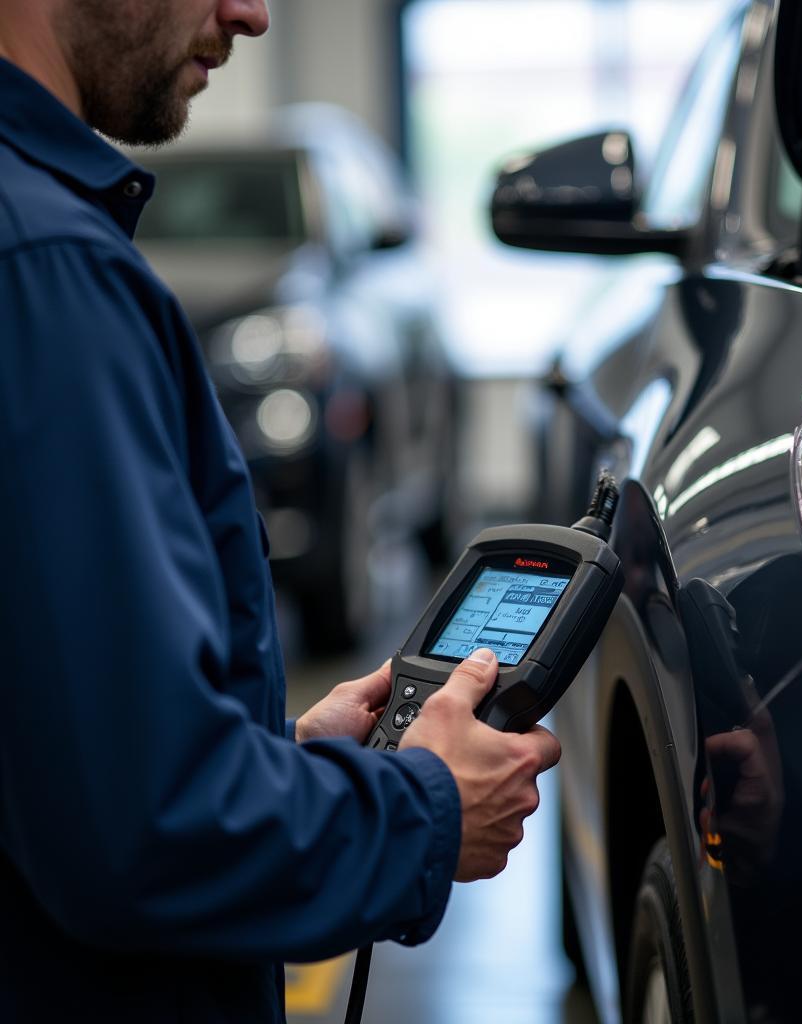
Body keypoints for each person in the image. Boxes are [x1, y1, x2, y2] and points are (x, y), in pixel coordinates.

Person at [0, 2, 560, 1021]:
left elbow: (52, 744)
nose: (252, 12)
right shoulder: (46, 266)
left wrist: (279, 764)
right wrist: (423, 808)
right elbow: (141, 833)